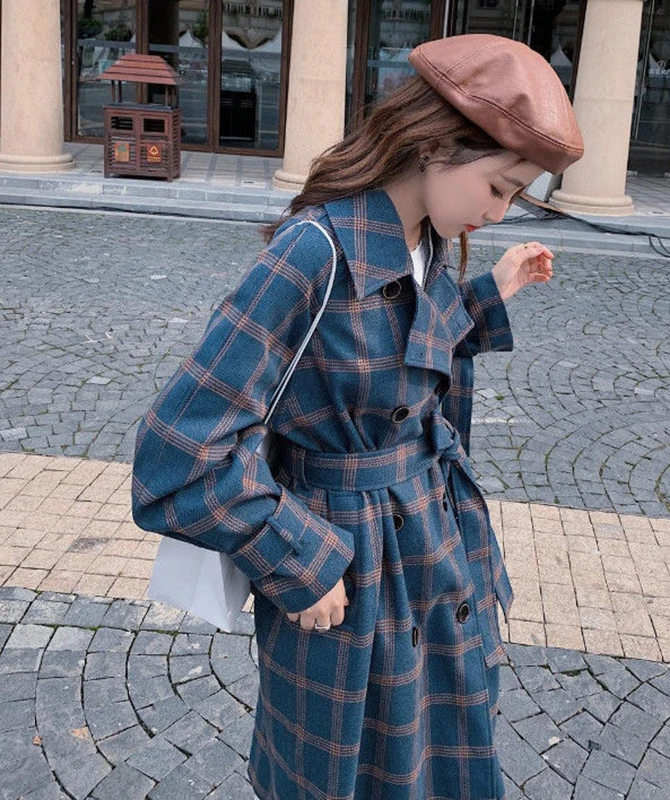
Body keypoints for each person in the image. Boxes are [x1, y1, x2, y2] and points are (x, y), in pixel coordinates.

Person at [132, 33, 583, 800]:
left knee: (440, 749)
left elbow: (396, 364)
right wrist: (298, 561)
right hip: (349, 573)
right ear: (435, 146)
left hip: (434, 545)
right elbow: (177, 453)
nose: (499, 212)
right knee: (350, 770)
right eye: (499, 186)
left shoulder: (425, 238)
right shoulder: (311, 254)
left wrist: (491, 291)